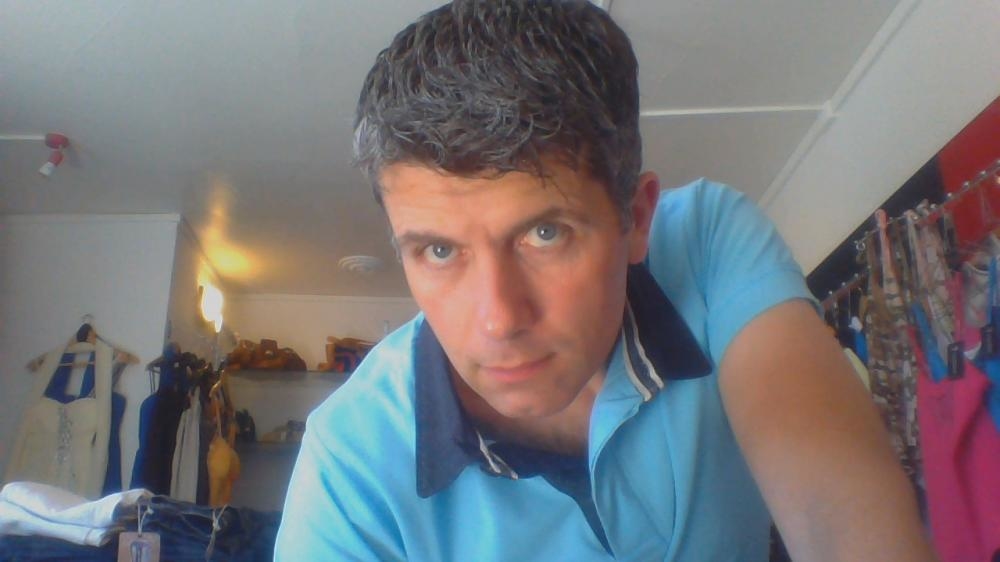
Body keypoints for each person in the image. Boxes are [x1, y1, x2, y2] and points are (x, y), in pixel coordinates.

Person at [274, 1, 937, 560]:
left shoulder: (707, 243)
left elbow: (837, 512)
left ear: (636, 219)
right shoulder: (349, 464)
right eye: (440, 250)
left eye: (545, 233)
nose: (499, 319)